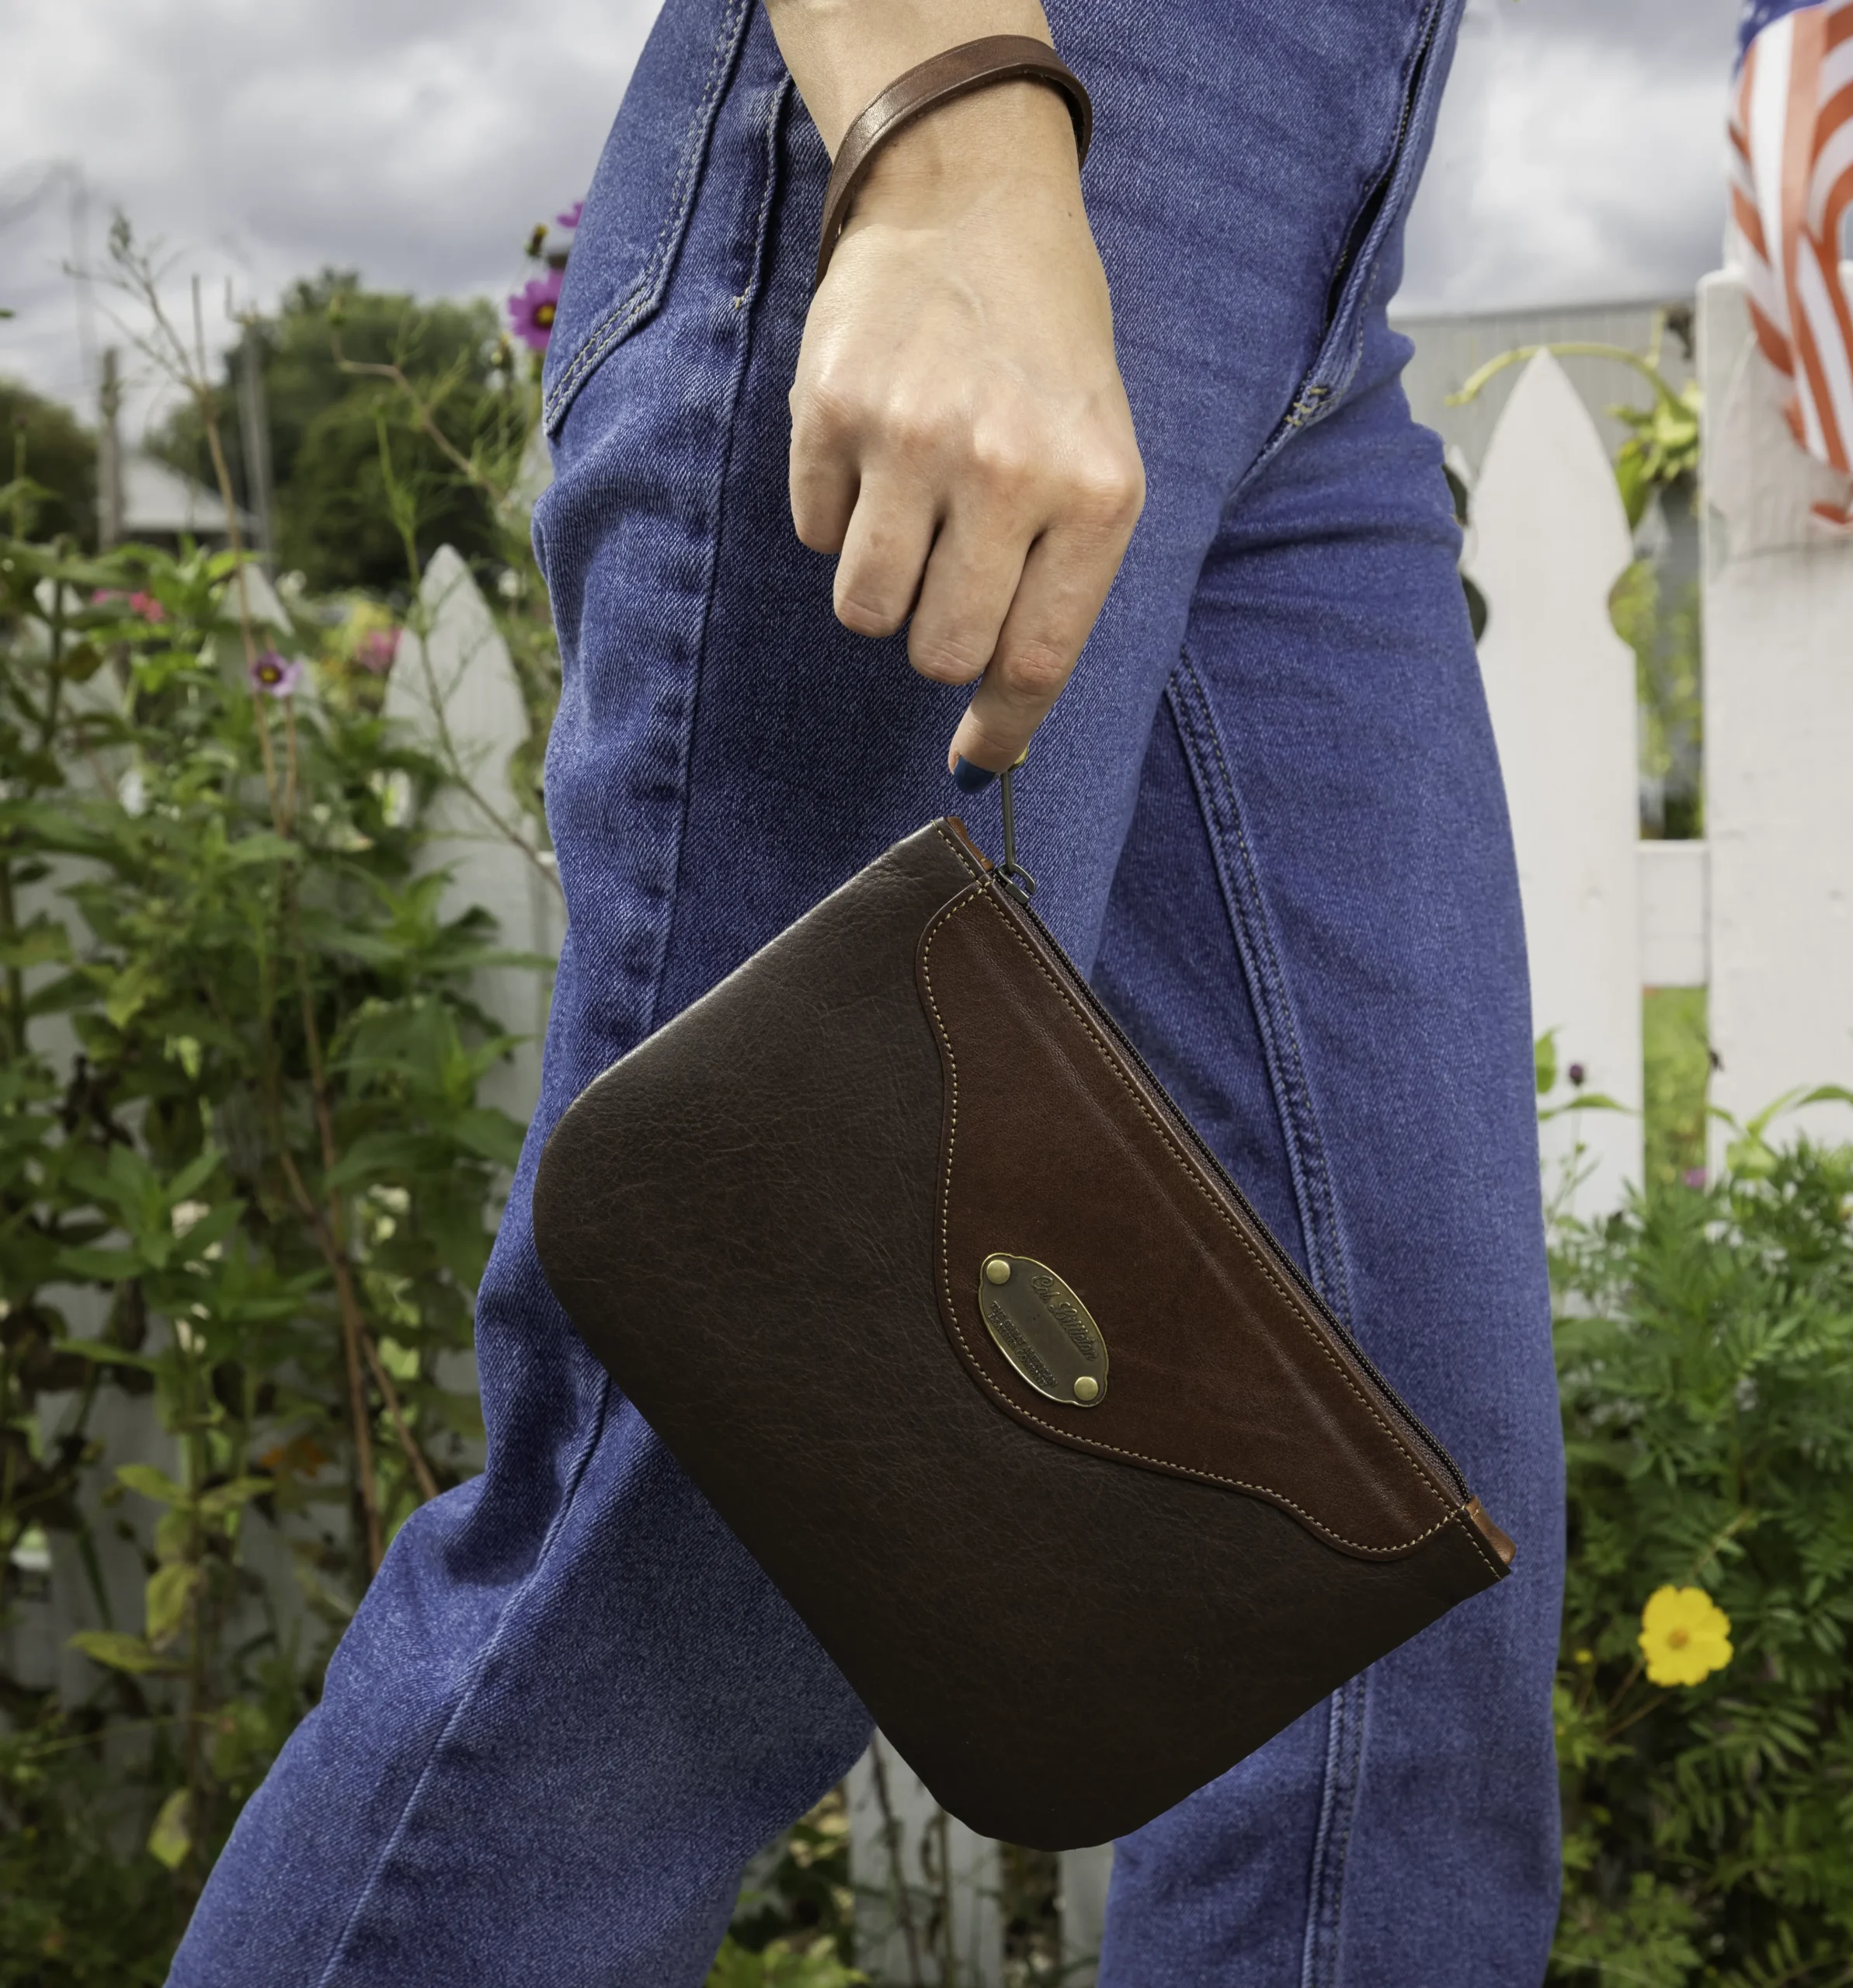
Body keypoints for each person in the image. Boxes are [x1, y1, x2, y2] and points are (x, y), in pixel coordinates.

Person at [169, 1, 1565, 1981]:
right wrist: (944, 125)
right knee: (680, 1563)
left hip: (1330, 238)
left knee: (1387, 1558)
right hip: (1040, 91)